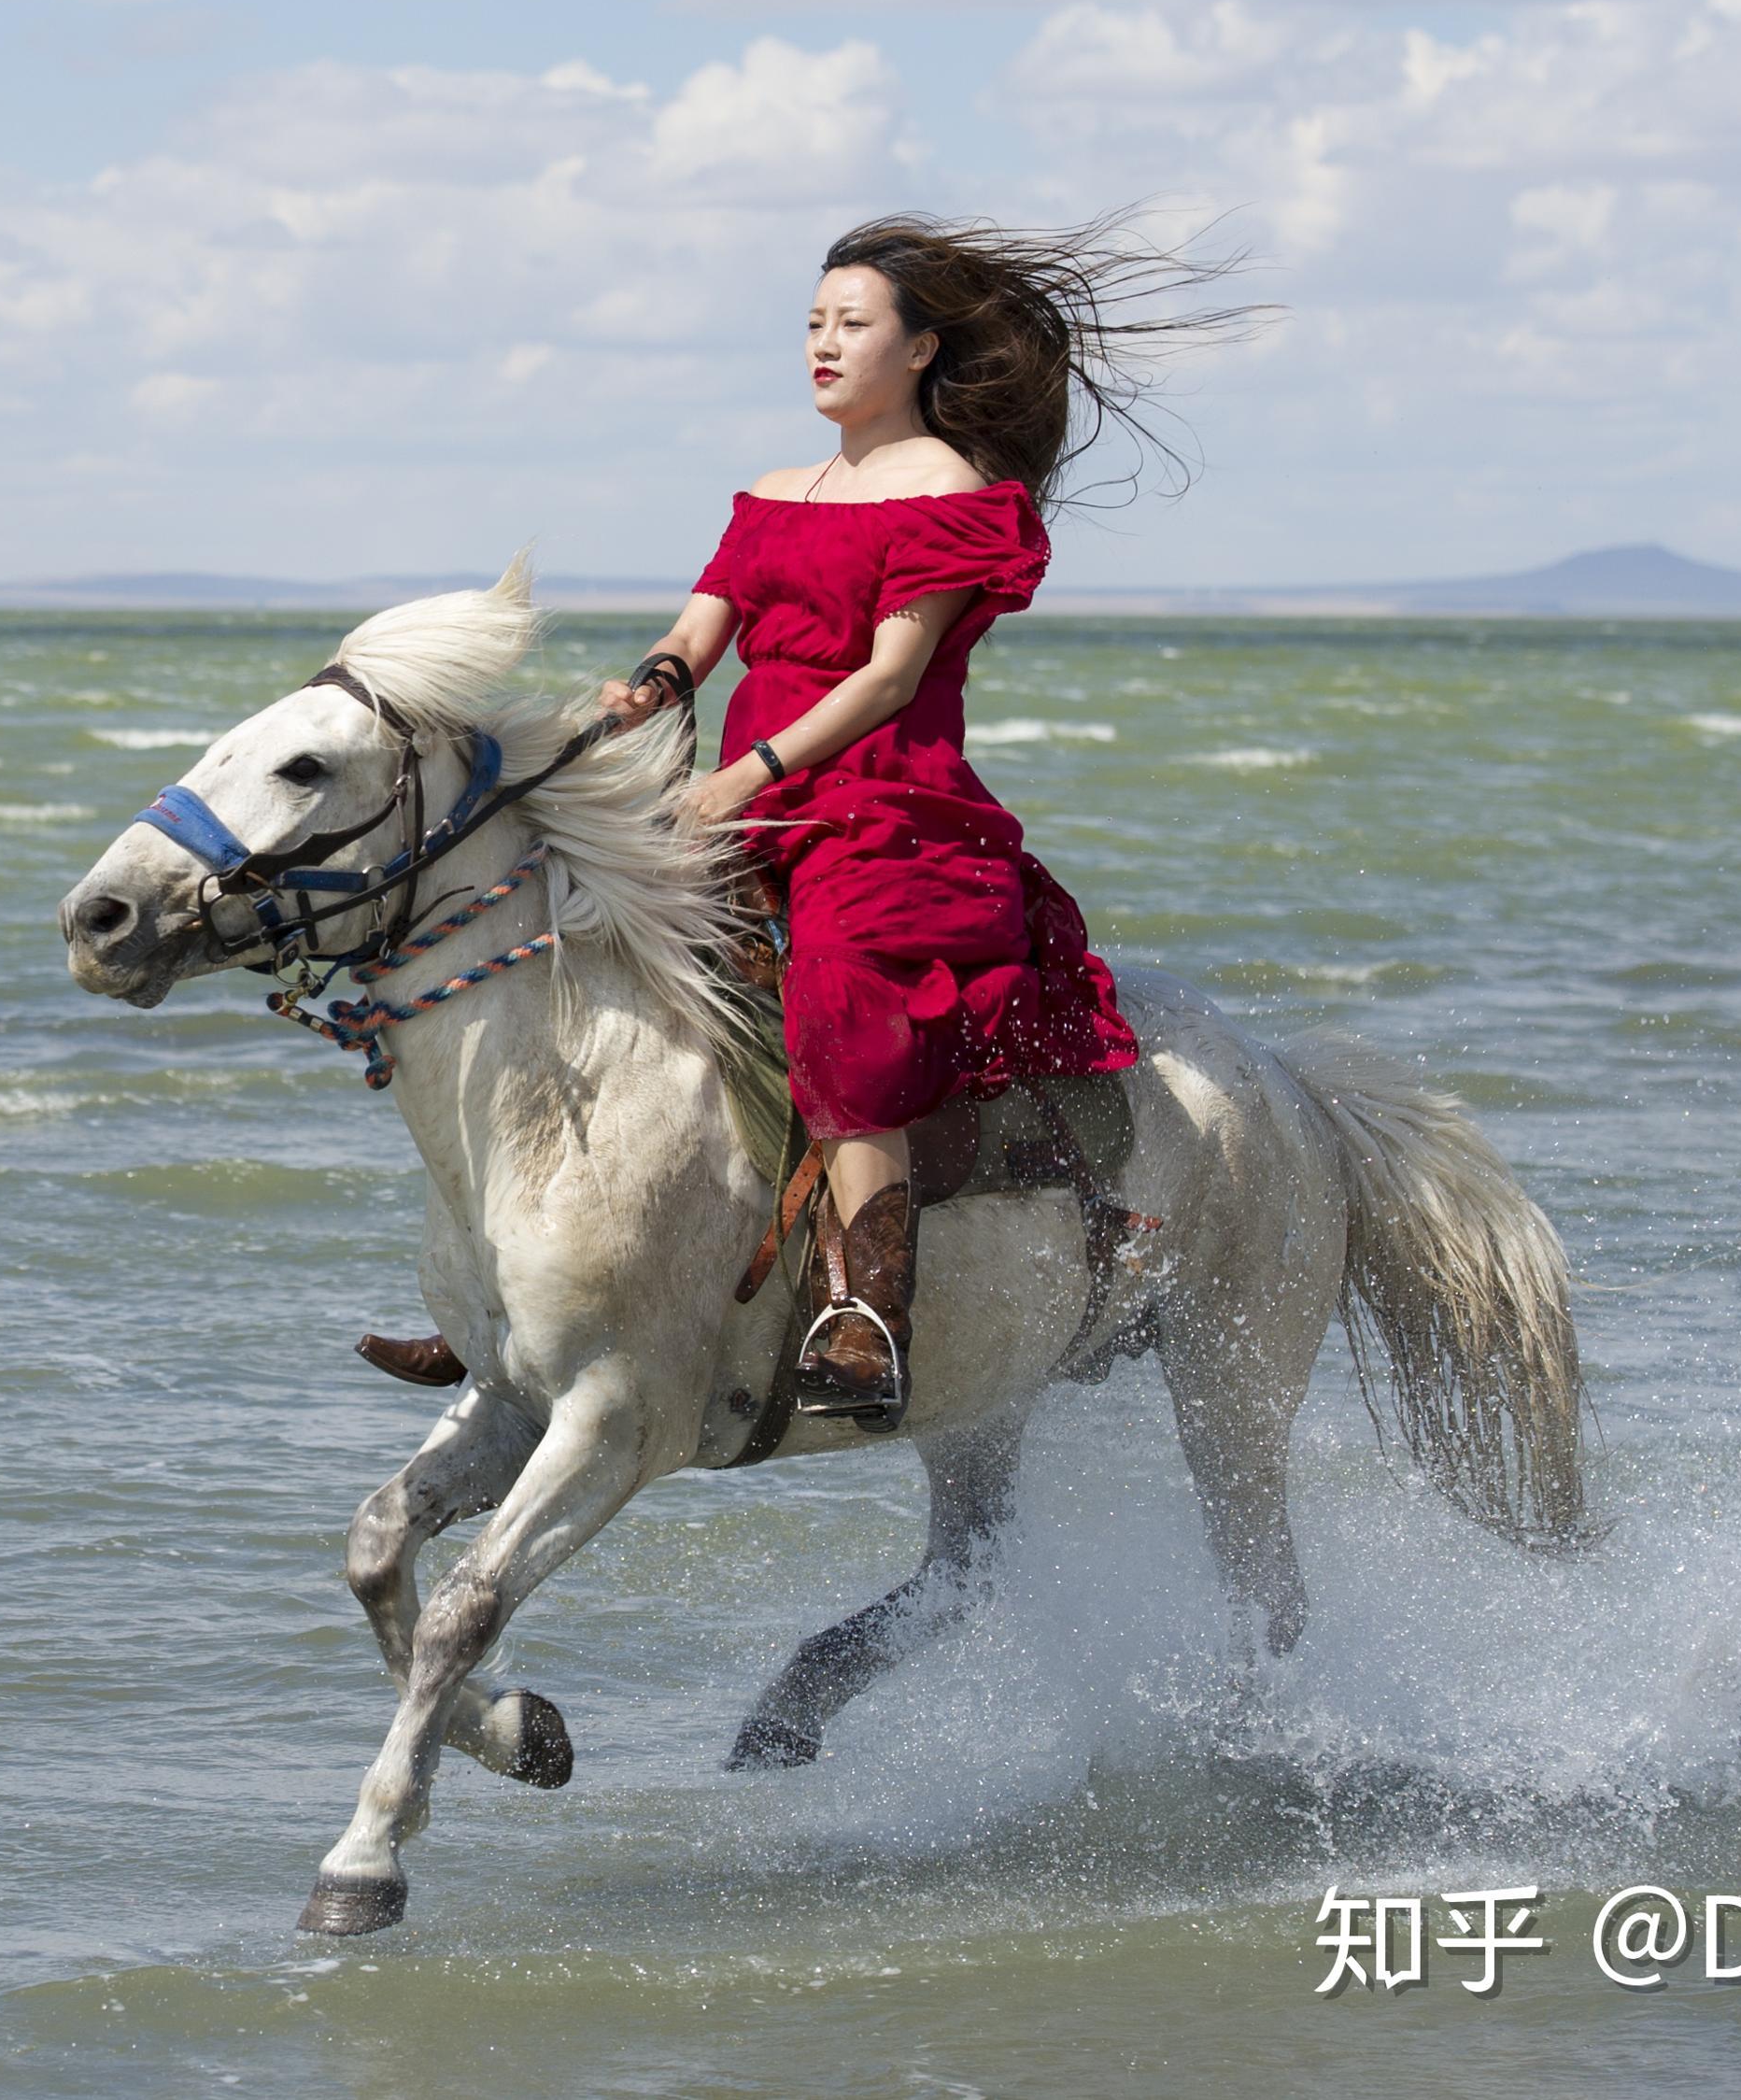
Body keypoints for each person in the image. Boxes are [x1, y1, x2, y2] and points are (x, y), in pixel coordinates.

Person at [360, 215, 1224, 1429]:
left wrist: (744, 773)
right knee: (566, 942)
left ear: (921, 349)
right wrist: (652, 687)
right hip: (749, 796)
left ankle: (867, 1315)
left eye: (851, 324)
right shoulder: (773, 495)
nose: (822, 344)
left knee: (834, 992)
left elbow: (885, 677)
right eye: (812, 324)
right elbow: (699, 629)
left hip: (885, 807)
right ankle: (523, 1285)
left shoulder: (954, 493)